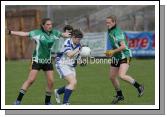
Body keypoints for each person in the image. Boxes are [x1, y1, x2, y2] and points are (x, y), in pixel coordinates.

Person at [8, 18, 71, 105]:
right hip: (37, 60)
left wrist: (70, 34)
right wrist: (10, 32)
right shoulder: (37, 33)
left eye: (51, 24)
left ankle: (47, 102)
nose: (50, 26)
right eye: (48, 24)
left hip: (47, 61)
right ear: (43, 25)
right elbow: (24, 34)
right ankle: (18, 101)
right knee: (31, 80)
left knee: (51, 81)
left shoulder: (55, 33)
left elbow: (63, 34)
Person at [105, 15, 144, 104]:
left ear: (114, 22)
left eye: (109, 22)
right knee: (112, 77)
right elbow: (115, 45)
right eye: (106, 22)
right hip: (116, 56)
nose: (107, 24)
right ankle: (120, 95)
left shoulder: (117, 32)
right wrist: (111, 53)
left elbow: (123, 46)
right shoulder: (110, 30)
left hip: (125, 55)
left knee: (121, 75)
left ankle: (139, 87)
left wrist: (112, 51)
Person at [54, 29, 83, 105]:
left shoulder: (78, 45)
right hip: (61, 63)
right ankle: (65, 103)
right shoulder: (67, 42)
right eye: (78, 39)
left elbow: (77, 58)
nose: (79, 41)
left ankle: (58, 91)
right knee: (73, 82)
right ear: (73, 37)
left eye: (80, 39)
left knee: (72, 85)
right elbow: (69, 55)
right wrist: (78, 49)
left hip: (70, 65)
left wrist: (81, 62)